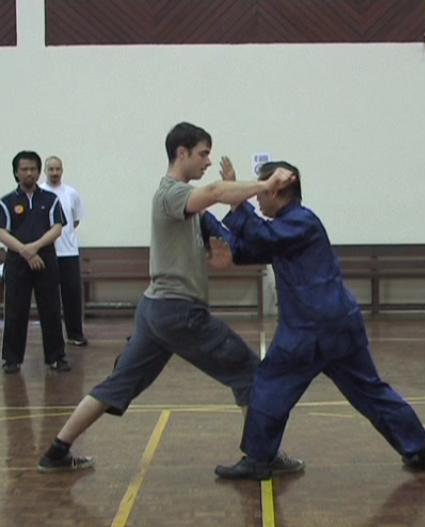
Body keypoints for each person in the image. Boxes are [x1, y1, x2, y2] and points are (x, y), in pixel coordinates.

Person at [37, 122, 302, 473]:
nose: (207, 161)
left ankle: (57, 451)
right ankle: (260, 457)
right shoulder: (171, 194)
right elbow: (217, 191)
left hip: (156, 312)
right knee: (251, 372)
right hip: (177, 312)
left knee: (119, 384)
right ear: (182, 153)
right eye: (203, 153)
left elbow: (221, 238)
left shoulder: (190, 207)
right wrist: (265, 184)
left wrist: (223, 256)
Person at [212, 160, 425, 480]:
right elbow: (253, 246)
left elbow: (262, 237)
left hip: (310, 330)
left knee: (268, 386)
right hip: (339, 326)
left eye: (262, 191)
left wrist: (237, 201)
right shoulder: (291, 226)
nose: (258, 198)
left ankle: (257, 459)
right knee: (371, 392)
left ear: (279, 189)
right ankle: (423, 452)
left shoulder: (300, 222)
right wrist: (215, 233)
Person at [0, 151, 70, 374]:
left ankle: (56, 357)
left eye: (33, 169)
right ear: (16, 173)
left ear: (38, 172)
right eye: (24, 169)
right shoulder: (6, 201)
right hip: (17, 261)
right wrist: (25, 252)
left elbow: (57, 228)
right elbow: (2, 233)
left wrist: (35, 248)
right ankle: (12, 359)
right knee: (16, 310)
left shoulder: (50, 199)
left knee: (51, 309)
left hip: (45, 260)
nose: (29, 173)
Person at [41, 156, 87, 346]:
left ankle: (75, 334)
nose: (54, 173)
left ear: (62, 170)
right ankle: (52, 338)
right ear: (45, 171)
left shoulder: (71, 193)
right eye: (51, 169)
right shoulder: (40, 193)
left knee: (72, 295)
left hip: (68, 252)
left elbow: (74, 221)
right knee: (49, 297)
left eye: (57, 169)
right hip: (48, 253)